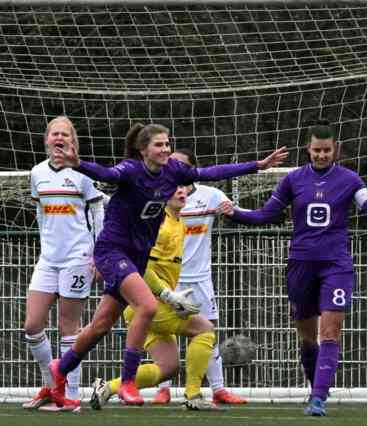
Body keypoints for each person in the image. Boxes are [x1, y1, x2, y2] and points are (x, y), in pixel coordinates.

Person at [47, 122, 288, 407]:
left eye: (167, 144)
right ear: (143, 149)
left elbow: (211, 172)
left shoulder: (173, 171)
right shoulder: (131, 170)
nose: (165, 149)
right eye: (159, 145)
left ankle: (59, 369)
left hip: (136, 256)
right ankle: (126, 382)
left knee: (100, 326)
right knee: (147, 307)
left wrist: (257, 166)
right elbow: (107, 174)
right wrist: (79, 164)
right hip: (113, 251)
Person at [218, 121, 367, 416]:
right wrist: (237, 214)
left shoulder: (350, 179)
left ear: (335, 150)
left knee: (330, 333)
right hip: (301, 265)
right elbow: (267, 214)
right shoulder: (293, 180)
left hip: (336, 265)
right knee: (306, 337)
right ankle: (315, 387)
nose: (321, 155)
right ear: (308, 149)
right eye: (316, 150)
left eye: (327, 150)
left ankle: (318, 398)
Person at [91, 186, 223, 411]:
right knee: (204, 329)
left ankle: (108, 387)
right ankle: (194, 396)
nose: (181, 192)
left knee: (168, 367)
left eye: (183, 189)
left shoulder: (177, 221)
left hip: (145, 305)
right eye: (175, 189)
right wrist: (168, 296)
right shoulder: (160, 225)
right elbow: (142, 267)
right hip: (149, 303)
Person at [151, 148, 247, 406]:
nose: (175, 170)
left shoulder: (211, 195)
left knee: (208, 331)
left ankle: (218, 389)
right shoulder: (158, 197)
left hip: (201, 279)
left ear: (191, 169)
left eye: (181, 165)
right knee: (165, 332)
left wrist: (232, 210)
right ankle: (164, 389)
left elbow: (236, 211)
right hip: (169, 279)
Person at [22, 116, 104, 412]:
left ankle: (71, 394)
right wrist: (46, 246)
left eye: (65, 134)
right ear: (46, 140)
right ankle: (51, 384)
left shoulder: (82, 174)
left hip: (77, 258)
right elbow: (41, 213)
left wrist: (98, 254)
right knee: (32, 325)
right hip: (48, 259)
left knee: (68, 325)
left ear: (72, 141)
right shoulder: (37, 173)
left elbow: (97, 215)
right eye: (54, 133)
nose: (59, 138)